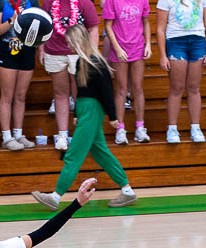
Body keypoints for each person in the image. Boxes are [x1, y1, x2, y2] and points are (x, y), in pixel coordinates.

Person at [32, 24, 138, 210]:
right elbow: (82, 92)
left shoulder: (95, 62)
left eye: (70, 43)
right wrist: (77, 114)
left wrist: (113, 116)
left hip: (92, 110)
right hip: (86, 110)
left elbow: (106, 91)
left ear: (78, 42)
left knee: (73, 155)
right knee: (100, 152)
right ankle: (127, 191)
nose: (69, 47)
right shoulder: (82, 61)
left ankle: (56, 197)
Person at [42, 0, 100, 151]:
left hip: (79, 53)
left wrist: (91, 53)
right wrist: (41, 49)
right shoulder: (48, 2)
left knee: (80, 95)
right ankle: (62, 135)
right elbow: (43, 27)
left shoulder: (84, 2)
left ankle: (82, 135)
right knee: (60, 93)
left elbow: (93, 28)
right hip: (54, 52)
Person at [156, 0, 206, 143]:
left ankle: (195, 127)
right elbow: (160, 29)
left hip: (198, 41)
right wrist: (163, 55)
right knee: (176, 88)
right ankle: (172, 128)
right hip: (175, 41)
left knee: (194, 87)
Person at [103, 0, 152, 144]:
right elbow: (108, 26)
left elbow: (146, 21)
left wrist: (148, 43)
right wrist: (117, 48)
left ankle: (140, 128)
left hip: (138, 46)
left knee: (138, 88)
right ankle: (120, 129)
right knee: (121, 89)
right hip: (120, 48)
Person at [0, 0, 37, 151]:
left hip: (27, 48)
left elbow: (38, 24)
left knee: (21, 95)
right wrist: (13, 19)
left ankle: (18, 134)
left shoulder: (32, 1)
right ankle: (6, 136)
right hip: (7, 46)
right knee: (7, 96)